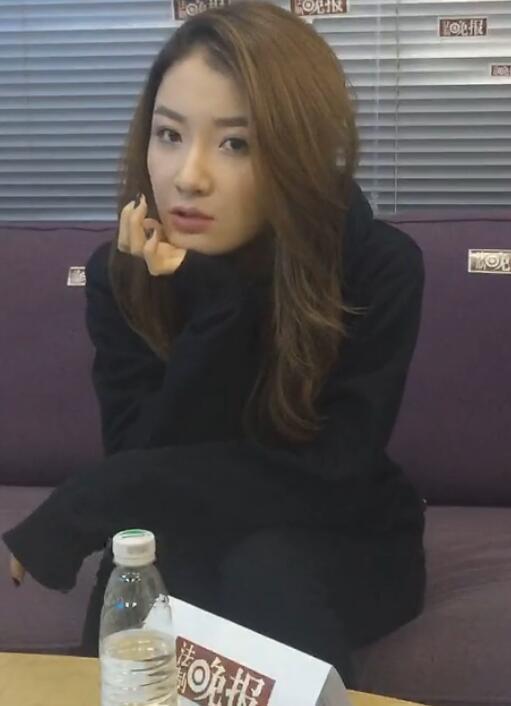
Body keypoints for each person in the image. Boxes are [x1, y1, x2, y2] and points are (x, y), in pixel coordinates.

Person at [4, 0, 426, 686]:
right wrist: (215, 309)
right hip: (183, 530)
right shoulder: (123, 275)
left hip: (342, 534)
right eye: (169, 135)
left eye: (236, 144)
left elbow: (332, 474)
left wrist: (90, 498)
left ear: (300, 152)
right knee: (152, 576)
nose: (188, 176)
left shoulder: (375, 267)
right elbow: (145, 462)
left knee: (264, 568)